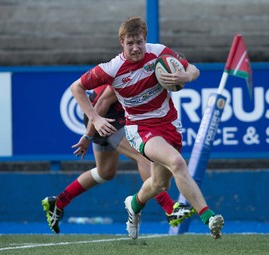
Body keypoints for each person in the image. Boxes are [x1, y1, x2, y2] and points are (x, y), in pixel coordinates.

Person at [69, 16, 224, 240]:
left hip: (169, 124)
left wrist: (185, 75)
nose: (135, 48)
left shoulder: (159, 53)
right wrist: (94, 119)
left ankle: (133, 204)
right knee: (177, 163)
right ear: (121, 43)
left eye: (139, 42)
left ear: (145, 40)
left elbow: (194, 69)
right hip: (139, 129)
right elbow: (77, 88)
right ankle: (208, 217)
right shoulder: (112, 69)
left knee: (160, 183)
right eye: (130, 43)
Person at [41, 84, 195, 234]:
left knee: (105, 172)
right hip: (103, 116)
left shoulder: (148, 71)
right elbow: (102, 102)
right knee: (142, 156)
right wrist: (88, 135)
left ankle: (58, 202)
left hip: (116, 115)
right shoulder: (129, 73)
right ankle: (169, 208)